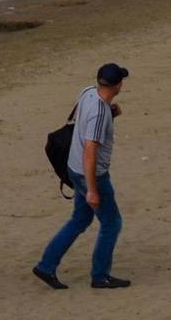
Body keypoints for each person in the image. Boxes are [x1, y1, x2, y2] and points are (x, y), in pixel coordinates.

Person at [34, 62, 131, 290]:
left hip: (74, 167)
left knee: (80, 219)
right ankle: (100, 275)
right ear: (117, 85)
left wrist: (111, 113)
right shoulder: (99, 113)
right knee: (111, 223)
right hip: (91, 173)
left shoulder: (88, 92)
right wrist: (92, 189)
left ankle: (46, 265)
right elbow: (90, 149)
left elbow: (82, 120)